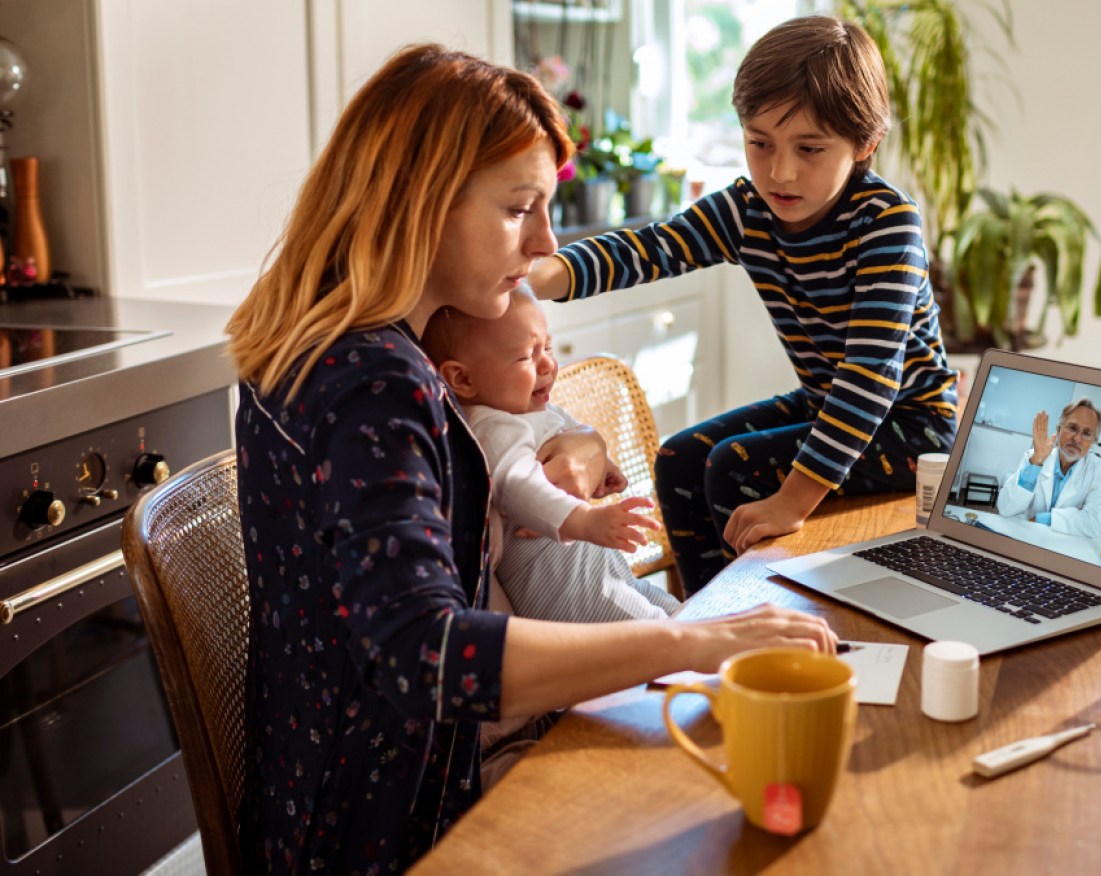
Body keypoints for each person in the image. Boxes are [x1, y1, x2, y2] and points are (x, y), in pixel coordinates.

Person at [224, 44, 837, 873]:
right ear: (421, 202)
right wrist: (693, 644)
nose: (546, 241)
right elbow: (428, 655)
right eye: (520, 208)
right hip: (393, 824)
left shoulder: (335, 346)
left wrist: (572, 442)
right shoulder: (374, 383)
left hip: (328, 792)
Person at [529, 15, 959, 594]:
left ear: (865, 144)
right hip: (825, 403)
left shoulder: (886, 224)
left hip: (916, 428)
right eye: (759, 143)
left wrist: (794, 500)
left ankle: (748, 615)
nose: (780, 172)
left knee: (733, 465)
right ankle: (704, 612)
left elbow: (869, 380)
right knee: (680, 458)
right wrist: (536, 276)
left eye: (809, 149)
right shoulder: (746, 209)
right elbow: (650, 248)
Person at [422, 287, 680, 621]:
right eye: (526, 356)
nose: (548, 364)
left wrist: (603, 465)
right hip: (565, 594)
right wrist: (585, 520)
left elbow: (566, 429)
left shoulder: (527, 409)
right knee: (668, 637)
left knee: (683, 616)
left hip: (599, 576)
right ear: (462, 378)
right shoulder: (490, 427)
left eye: (547, 347)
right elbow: (520, 484)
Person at [996, 399, 1101, 537]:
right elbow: (1005, 508)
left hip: (1062, 545)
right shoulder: (1035, 457)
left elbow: (1094, 522)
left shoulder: (1096, 469)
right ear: (1059, 429)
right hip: (1024, 536)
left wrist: (1044, 519)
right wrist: (1037, 461)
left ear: (1093, 441)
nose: (1077, 439)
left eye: (1086, 433)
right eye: (1072, 428)